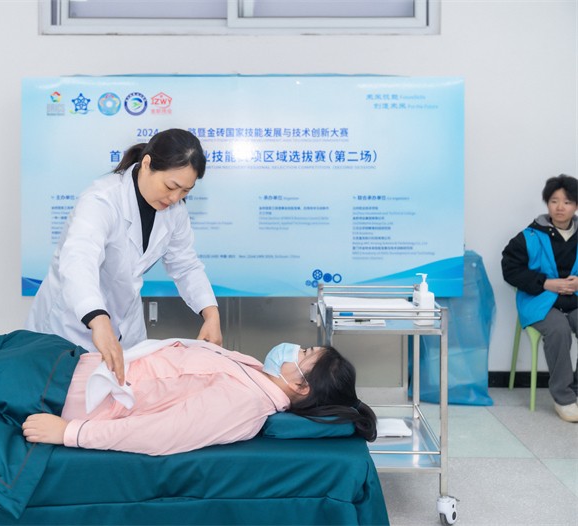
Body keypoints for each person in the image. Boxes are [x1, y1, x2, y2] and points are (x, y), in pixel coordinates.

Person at [26, 129, 221, 385]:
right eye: (171, 186)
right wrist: (98, 320)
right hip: (71, 325)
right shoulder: (102, 200)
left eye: (185, 191)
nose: (175, 198)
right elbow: (79, 260)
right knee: (61, 396)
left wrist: (211, 313)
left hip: (125, 325)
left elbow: (186, 265)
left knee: (122, 398)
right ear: (147, 163)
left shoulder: (174, 212)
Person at [22, 340, 377, 455]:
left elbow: (161, 433)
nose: (293, 347)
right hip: (76, 364)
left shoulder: (244, 404)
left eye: (303, 353)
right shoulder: (255, 373)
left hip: (67, 390)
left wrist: (71, 433)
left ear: (301, 386)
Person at [501, 174, 578, 423]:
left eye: (567, 202)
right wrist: (545, 282)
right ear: (547, 204)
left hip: (574, 300)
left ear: (576, 206)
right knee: (559, 329)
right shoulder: (530, 236)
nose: (560, 207)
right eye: (554, 201)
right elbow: (510, 269)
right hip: (540, 302)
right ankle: (564, 398)